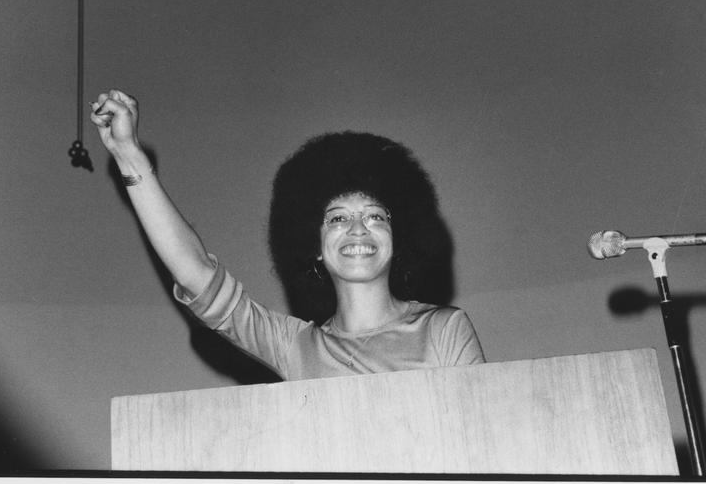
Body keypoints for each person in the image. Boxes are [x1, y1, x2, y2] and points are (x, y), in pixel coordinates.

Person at [90, 88, 485, 381]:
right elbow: (195, 274)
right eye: (336, 218)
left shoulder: (444, 330)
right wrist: (129, 153)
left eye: (376, 216)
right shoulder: (294, 345)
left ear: (399, 237)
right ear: (312, 245)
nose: (357, 228)